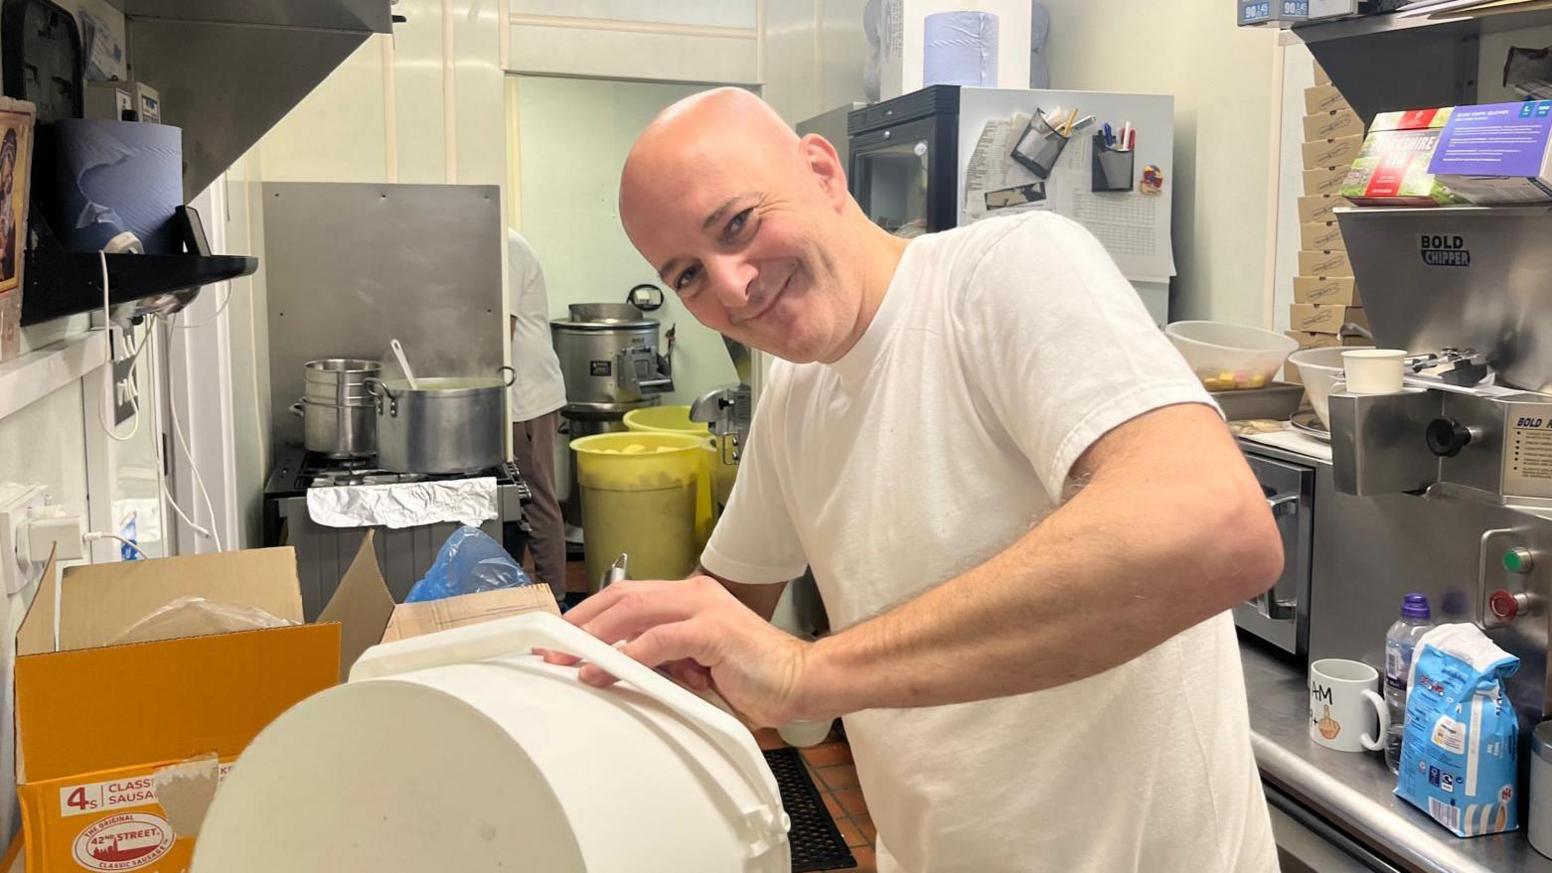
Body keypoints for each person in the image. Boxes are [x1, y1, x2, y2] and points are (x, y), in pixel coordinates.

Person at [545, 89, 1284, 872]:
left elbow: (1213, 525)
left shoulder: (1008, 272)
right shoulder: (798, 389)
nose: (730, 288)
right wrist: (602, 685)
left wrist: (807, 673)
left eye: (737, 224)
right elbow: (722, 615)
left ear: (824, 173)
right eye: (689, 275)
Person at [507, 229, 568, 602]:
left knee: (535, 499)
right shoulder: (492, 248)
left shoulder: (507, 247)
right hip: (512, 396)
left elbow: (502, 327)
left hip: (526, 397)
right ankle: (506, 590)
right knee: (508, 498)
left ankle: (554, 599)